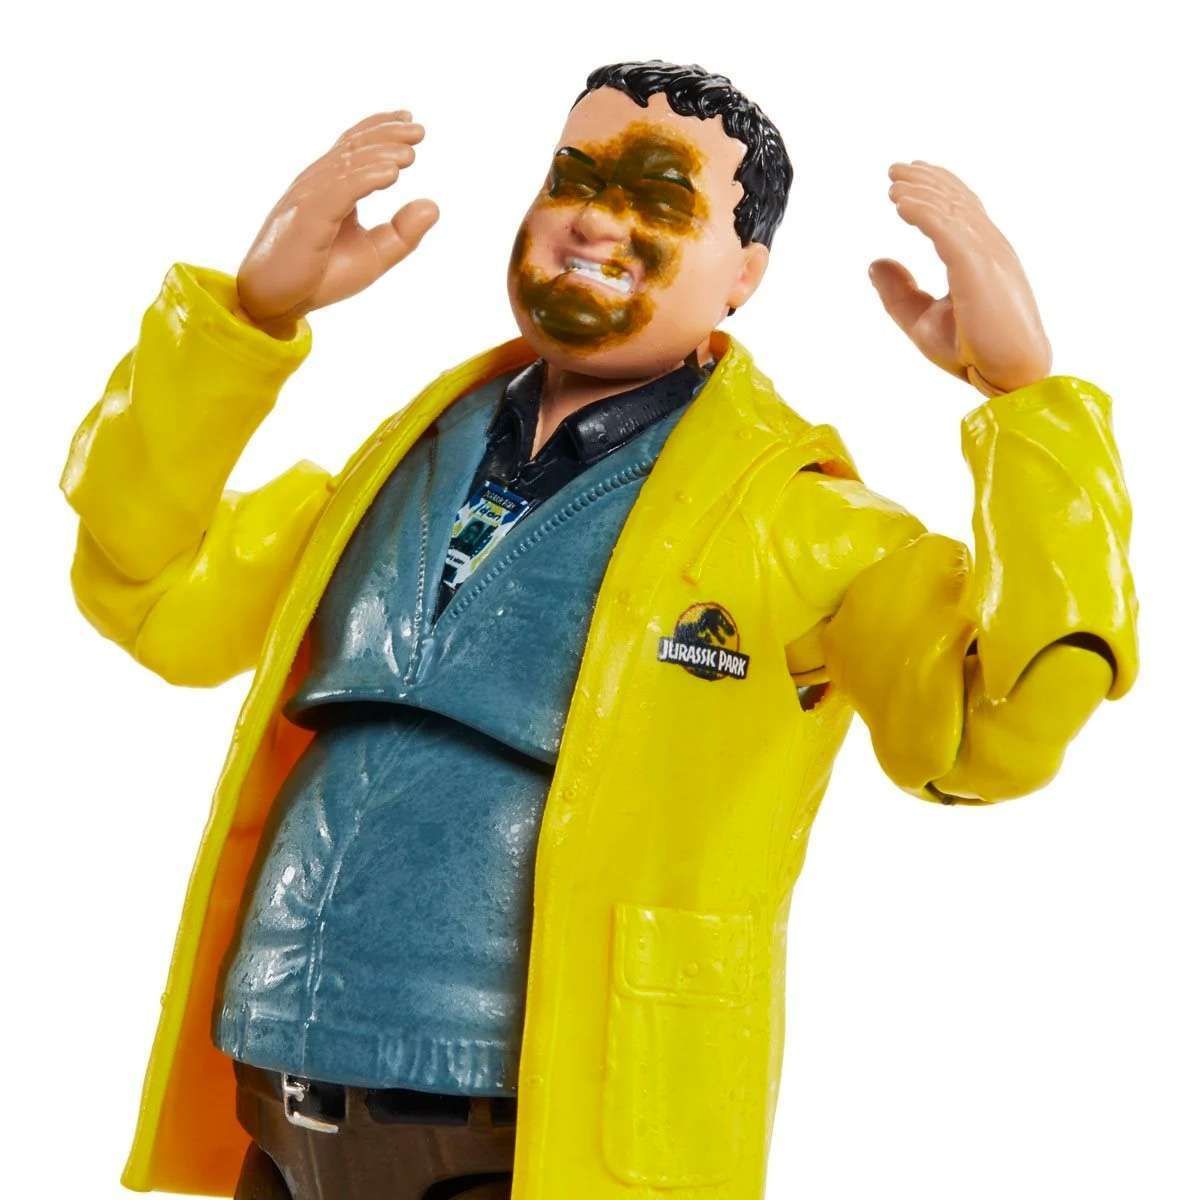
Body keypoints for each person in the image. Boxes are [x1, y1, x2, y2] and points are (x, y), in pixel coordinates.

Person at [61, 61, 1137, 1200]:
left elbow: (992, 728)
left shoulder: (799, 524)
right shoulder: (389, 471)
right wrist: (247, 318)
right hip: (277, 1094)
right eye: (571, 180)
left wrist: (1027, 403)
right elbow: (153, 586)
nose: (593, 221)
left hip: (547, 1127)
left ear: (744, 275)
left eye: (660, 201)